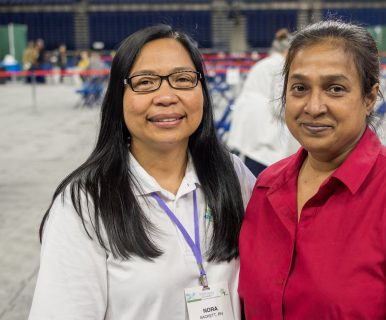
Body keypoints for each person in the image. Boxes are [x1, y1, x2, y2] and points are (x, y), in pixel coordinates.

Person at [238, 20, 386, 319]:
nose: (313, 106)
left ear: (369, 97)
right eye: (299, 88)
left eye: (335, 89)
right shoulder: (267, 186)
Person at [29, 24, 255, 320]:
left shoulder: (232, 175)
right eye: (145, 82)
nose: (166, 96)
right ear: (118, 98)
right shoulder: (84, 203)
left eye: (183, 79)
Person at [227, 28, 298, 176]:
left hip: (250, 121)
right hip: (264, 124)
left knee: (249, 165)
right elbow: (278, 104)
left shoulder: (265, 62)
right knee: (263, 169)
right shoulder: (281, 65)